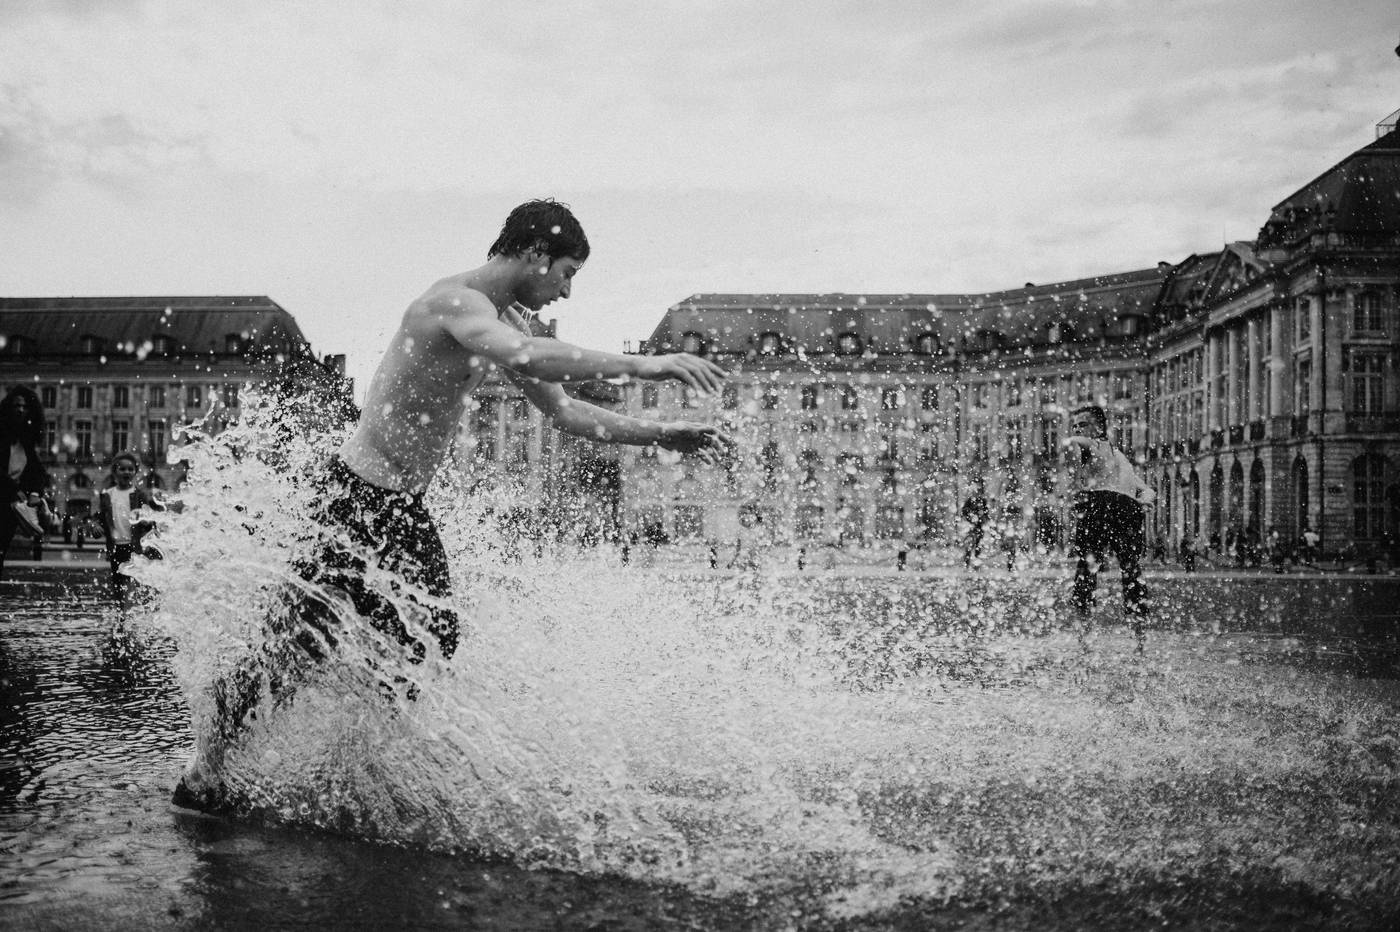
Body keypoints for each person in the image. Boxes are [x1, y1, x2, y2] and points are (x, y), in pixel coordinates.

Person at [177, 199, 732, 808]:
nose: (566, 292)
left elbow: (566, 412)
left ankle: (359, 770)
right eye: (567, 272)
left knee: (425, 644)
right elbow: (523, 357)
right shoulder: (455, 304)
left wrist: (660, 435)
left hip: (397, 509)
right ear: (535, 253)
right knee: (300, 648)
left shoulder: (507, 320)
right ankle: (209, 770)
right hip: (354, 500)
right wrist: (646, 365)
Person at [1064, 405, 1155, 639]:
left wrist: (1144, 500)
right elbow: (1080, 444)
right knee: (1090, 567)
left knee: (1129, 569)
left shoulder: (1118, 456)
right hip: (1102, 505)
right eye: (1074, 424)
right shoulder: (1091, 448)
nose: (1077, 428)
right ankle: (1088, 625)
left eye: (1083, 424)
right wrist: (1074, 439)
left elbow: (1145, 488)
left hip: (1119, 508)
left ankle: (1135, 625)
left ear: (1100, 426)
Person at [0, 387, 52, 578]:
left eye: (24, 406)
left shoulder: (26, 441)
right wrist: (15, 490)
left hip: (10, 506)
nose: (21, 410)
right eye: (16, 406)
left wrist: (35, 493)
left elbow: (37, 471)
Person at [98, 452, 167, 589]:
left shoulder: (139, 494)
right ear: (114, 472)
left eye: (130, 469)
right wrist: (96, 527)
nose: (127, 472)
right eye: (122, 469)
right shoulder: (107, 495)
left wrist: (147, 522)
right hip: (115, 546)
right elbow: (102, 517)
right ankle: (120, 608)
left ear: (135, 472)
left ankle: (130, 607)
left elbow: (147, 515)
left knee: (133, 582)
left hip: (134, 545)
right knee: (117, 581)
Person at [960, 482, 989, 568]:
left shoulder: (983, 501)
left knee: (978, 545)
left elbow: (986, 513)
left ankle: (976, 564)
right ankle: (967, 563)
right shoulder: (970, 501)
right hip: (970, 526)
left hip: (979, 526)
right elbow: (964, 511)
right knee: (969, 545)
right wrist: (971, 516)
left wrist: (982, 516)